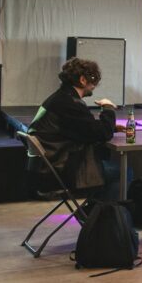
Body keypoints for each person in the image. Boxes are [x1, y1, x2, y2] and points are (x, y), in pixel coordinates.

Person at [28, 58, 124, 200]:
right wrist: (108, 108)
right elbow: (103, 134)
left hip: (47, 168)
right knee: (123, 172)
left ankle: (94, 210)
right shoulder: (70, 103)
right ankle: (103, 213)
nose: (94, 86)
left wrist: (112, 127)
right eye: (93, 81)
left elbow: (81, 129)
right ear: (83, 80)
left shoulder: (59, 98)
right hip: (62, 172)